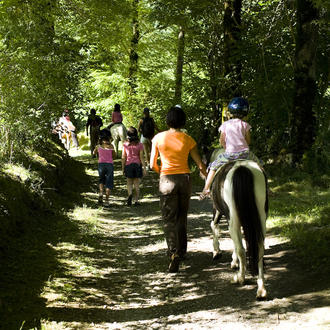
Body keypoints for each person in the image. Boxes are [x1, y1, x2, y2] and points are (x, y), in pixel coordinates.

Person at [150, 105, 207, 273]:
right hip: (185, 179)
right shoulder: (188, 139)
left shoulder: (158, 138)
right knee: (182, 216)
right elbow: (199, 164)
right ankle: (182, 252)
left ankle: (173, 253)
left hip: (167, 179)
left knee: (169, 218)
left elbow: (153, 163)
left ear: (168, 120)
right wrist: (209, 177)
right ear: (183, 121)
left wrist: (163, 174)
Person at [200, 97, 262, 199]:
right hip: (245, 154)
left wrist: (226, 147)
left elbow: (221, 141)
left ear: (231, 112)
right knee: (259, 165)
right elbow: (248, 141)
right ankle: (266, 188)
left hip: (229, 155)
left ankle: (206, 189)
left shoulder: (225, 125)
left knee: (213, 167)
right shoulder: (245, 125)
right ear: (245, 112)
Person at [122, 126, 146, 206]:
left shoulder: (125, 144)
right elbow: (142, 157)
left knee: (129, 183)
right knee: (136, 183)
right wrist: (144, 168)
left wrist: (123, 168)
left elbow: (123, 157)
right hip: (137, 165)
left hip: (128, 165)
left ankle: (130, 194)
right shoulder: (140, 144)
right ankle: (136, 200)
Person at [93, 135, 116, 206]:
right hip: (109, 165)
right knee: (109, 181)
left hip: (101, 165)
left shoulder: (98, 146)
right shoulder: (111, 146)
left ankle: (100, 193)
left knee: (101, 180)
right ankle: (107, 200)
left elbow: (94, 153)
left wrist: (98, 153)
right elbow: (114, 156)